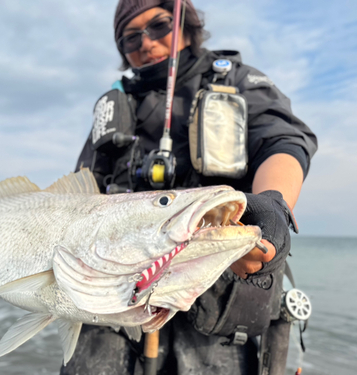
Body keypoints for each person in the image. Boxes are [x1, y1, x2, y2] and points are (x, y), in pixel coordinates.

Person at [62, 0, 318, 374]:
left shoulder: (233, 80)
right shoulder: (112, 110)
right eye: (130, 38)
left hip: (219, 290)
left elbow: (283, 141)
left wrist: (274, 202)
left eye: (159, 25)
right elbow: (80, 192)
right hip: (117, 294)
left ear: (186, 24)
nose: (146, 42)